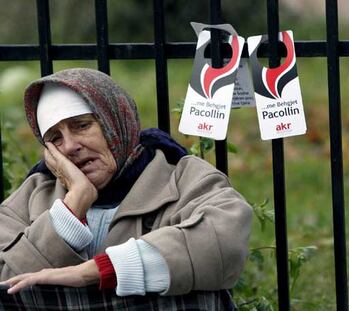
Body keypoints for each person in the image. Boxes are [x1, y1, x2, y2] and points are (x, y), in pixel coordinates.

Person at [0, 68, 252, 306]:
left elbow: (225, 240)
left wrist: (99, 270)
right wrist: (73, 205)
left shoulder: (182, 178)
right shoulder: (34, 193)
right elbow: (5, 281)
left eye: (81, 125)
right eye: (55, 138)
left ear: (114, 121)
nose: (69, 146)